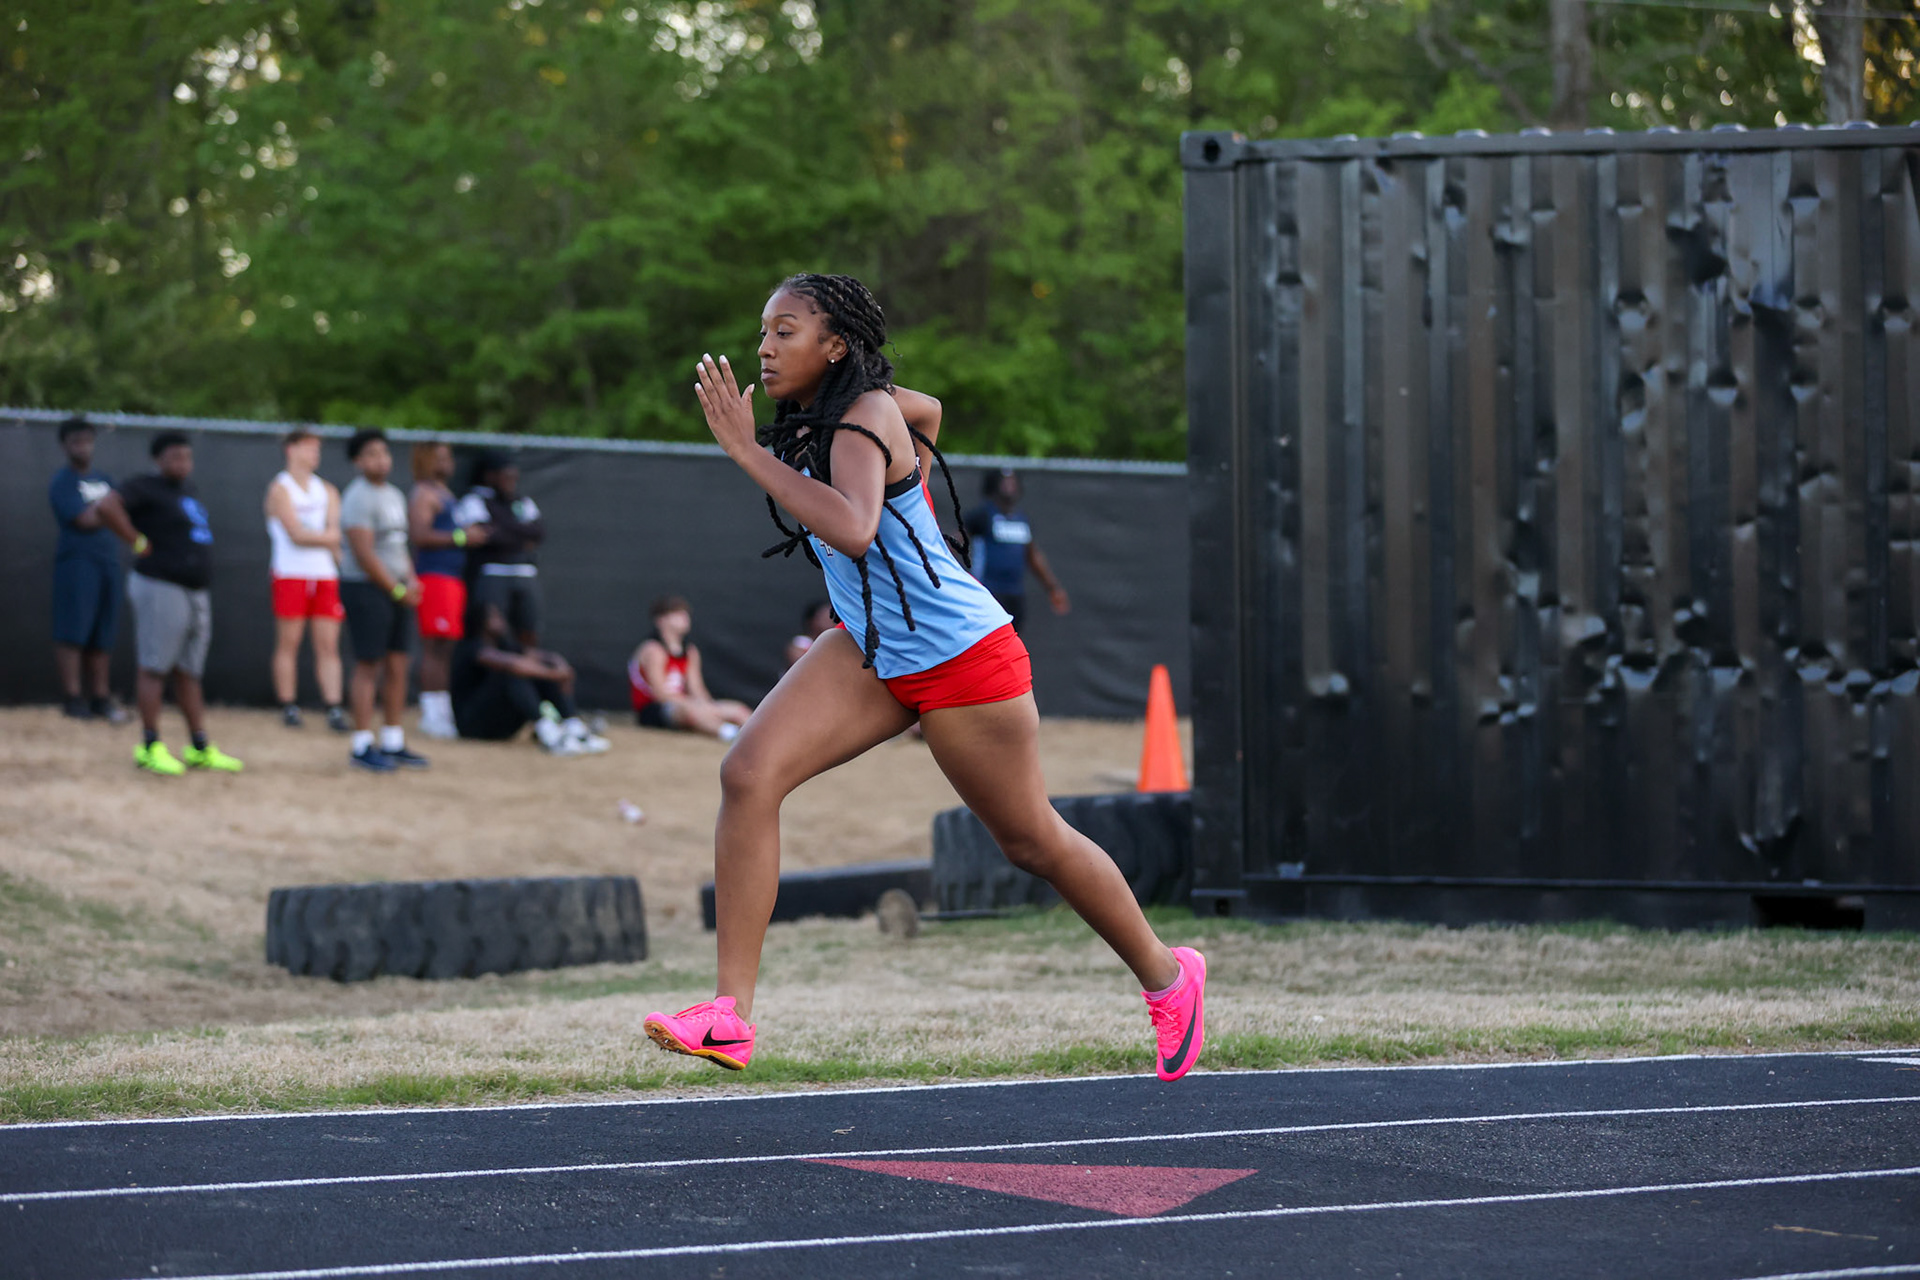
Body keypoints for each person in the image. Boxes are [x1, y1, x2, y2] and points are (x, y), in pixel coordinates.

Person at [644, 273, 1205, 1079]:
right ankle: (728, 1016)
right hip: (871, 648)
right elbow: (931, 410)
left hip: (961, 659)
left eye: (786, 331)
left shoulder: (860, 418)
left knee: (1030, 840)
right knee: (747, 773)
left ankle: (1167, 973)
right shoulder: (850, 410)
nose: (764, 348)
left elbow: (857, 528)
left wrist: (743, 450)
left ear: (835, 344)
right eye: (763, 331)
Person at [91, 432, 244, 776]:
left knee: (189, 671)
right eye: (175, 457)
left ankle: (199, 747)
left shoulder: (188, 491)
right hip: (160, 586)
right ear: (158, 459)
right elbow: (106, 506)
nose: (182, 464)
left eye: (187, 457)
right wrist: (135, 540)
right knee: (155, 666)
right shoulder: (144, 486)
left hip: (194, 590)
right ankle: (149, 745)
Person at [338, 428, 428, 773]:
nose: (381, 460)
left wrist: (411, 580)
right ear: (358, 461)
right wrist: (395, 589)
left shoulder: (393, 495)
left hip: (397, 592)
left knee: (398, 664)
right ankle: (362, 744)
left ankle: (392, 740)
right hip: (366, 590)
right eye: (372, 454)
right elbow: (364, 554)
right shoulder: (357, 497)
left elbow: (396, 547)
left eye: (385, 453)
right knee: (368, 665)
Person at [264, 428, 347, 731]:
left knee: (328, 645)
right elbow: (296, 535)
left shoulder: (327, 490)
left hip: (325, 576)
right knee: (289, 641)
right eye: (309, 447)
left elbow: (335, 535)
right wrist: (325, 537)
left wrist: (322, 539)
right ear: (291, 449)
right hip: (290, 574)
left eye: (317, 448)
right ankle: (288, 704)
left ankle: (333, 706)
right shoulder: (280, 489)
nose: (315, 453)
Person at [47, 416, 126, 722]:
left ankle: (101, 698)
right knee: (73, 630)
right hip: (77, 564)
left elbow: (121, 515)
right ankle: (72, 697)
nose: (82, 447)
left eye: (87, 440)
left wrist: (108, 512)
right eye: (75, 441)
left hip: (108, 562)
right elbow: (84, 519)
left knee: (102, 633)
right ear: (65, 446)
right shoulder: (62, 482)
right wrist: (108, 511)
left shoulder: (105, 479)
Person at [450, 602, 608, 754]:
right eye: (494, 616)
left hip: (503, 727)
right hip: (473, 727)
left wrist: (561, 667)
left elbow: (546, 657)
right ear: (480, 621)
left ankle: (574, 727)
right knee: (516, 674)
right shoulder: (472, 647)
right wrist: (556, 674)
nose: (501, 620)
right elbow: (514, 665)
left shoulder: (504, 644)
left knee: (539, 673)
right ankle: (550, 734)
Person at [409, 440, 487, 740]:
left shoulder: (447, 494)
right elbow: (419, 534)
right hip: (434, 576)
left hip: (452, 577)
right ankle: (431, 714)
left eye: (448, 457)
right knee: (434, 647)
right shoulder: (423, 494)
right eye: (439, 457)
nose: (447, 462)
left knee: (446, 648)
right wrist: (460, 537)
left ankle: (442, 710)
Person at [628, 595, 753, 742]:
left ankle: (756, 737)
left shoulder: (690, 652)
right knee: (690, 712)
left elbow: (697, 688)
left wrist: (707, 705)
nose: (685, 617)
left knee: (738, 709)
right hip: (655, 710)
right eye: (678, 614)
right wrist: (694, 705)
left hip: (685, 704)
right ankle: (730, 734)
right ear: (661, 620)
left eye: (685, 614)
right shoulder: (653, 650)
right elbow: (660, 694)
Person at [963, 468, 1070, 633]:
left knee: (1013, 641)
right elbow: (955, 543)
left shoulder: (1021, 519)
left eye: (1012, 481)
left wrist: (1053, 588)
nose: (1009, 486)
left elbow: (1033, 555)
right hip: (988, 592)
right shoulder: (983, 515)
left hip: (1015, 594)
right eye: (1004, 481)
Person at [455, 452, 544, 649]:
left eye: (514, 477)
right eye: (506, 477)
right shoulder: (475, 500)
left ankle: (527, 675)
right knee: (492, 630)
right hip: (491, 575)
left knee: (529, 630)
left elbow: (538, 532)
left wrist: (501, 526)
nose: (511, 482)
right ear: (491, 476)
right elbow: (487, 536)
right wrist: (519, 533)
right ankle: (492, 678)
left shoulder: (522, 502)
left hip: (525, 574)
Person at [784, 599, 834, 669]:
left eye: (832, 618)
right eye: (826, 618)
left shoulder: (836, 645)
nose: (831, 622)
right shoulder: (801, 643)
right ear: (812, 621)